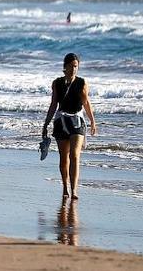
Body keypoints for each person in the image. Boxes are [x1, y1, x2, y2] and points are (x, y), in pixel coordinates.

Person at [43, 52, 98, 200]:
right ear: (65, 67)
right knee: (63, 158)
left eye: (76, 66)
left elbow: (86, 103)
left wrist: (92, 121)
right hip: (61, 122)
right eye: (71, 66)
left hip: (77, 122)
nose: (74, 69)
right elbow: (54, 104)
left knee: (74, 155)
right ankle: (65, 187)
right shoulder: (57, 83)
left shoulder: (82, 83)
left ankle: (74, 190)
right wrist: (46, 123)